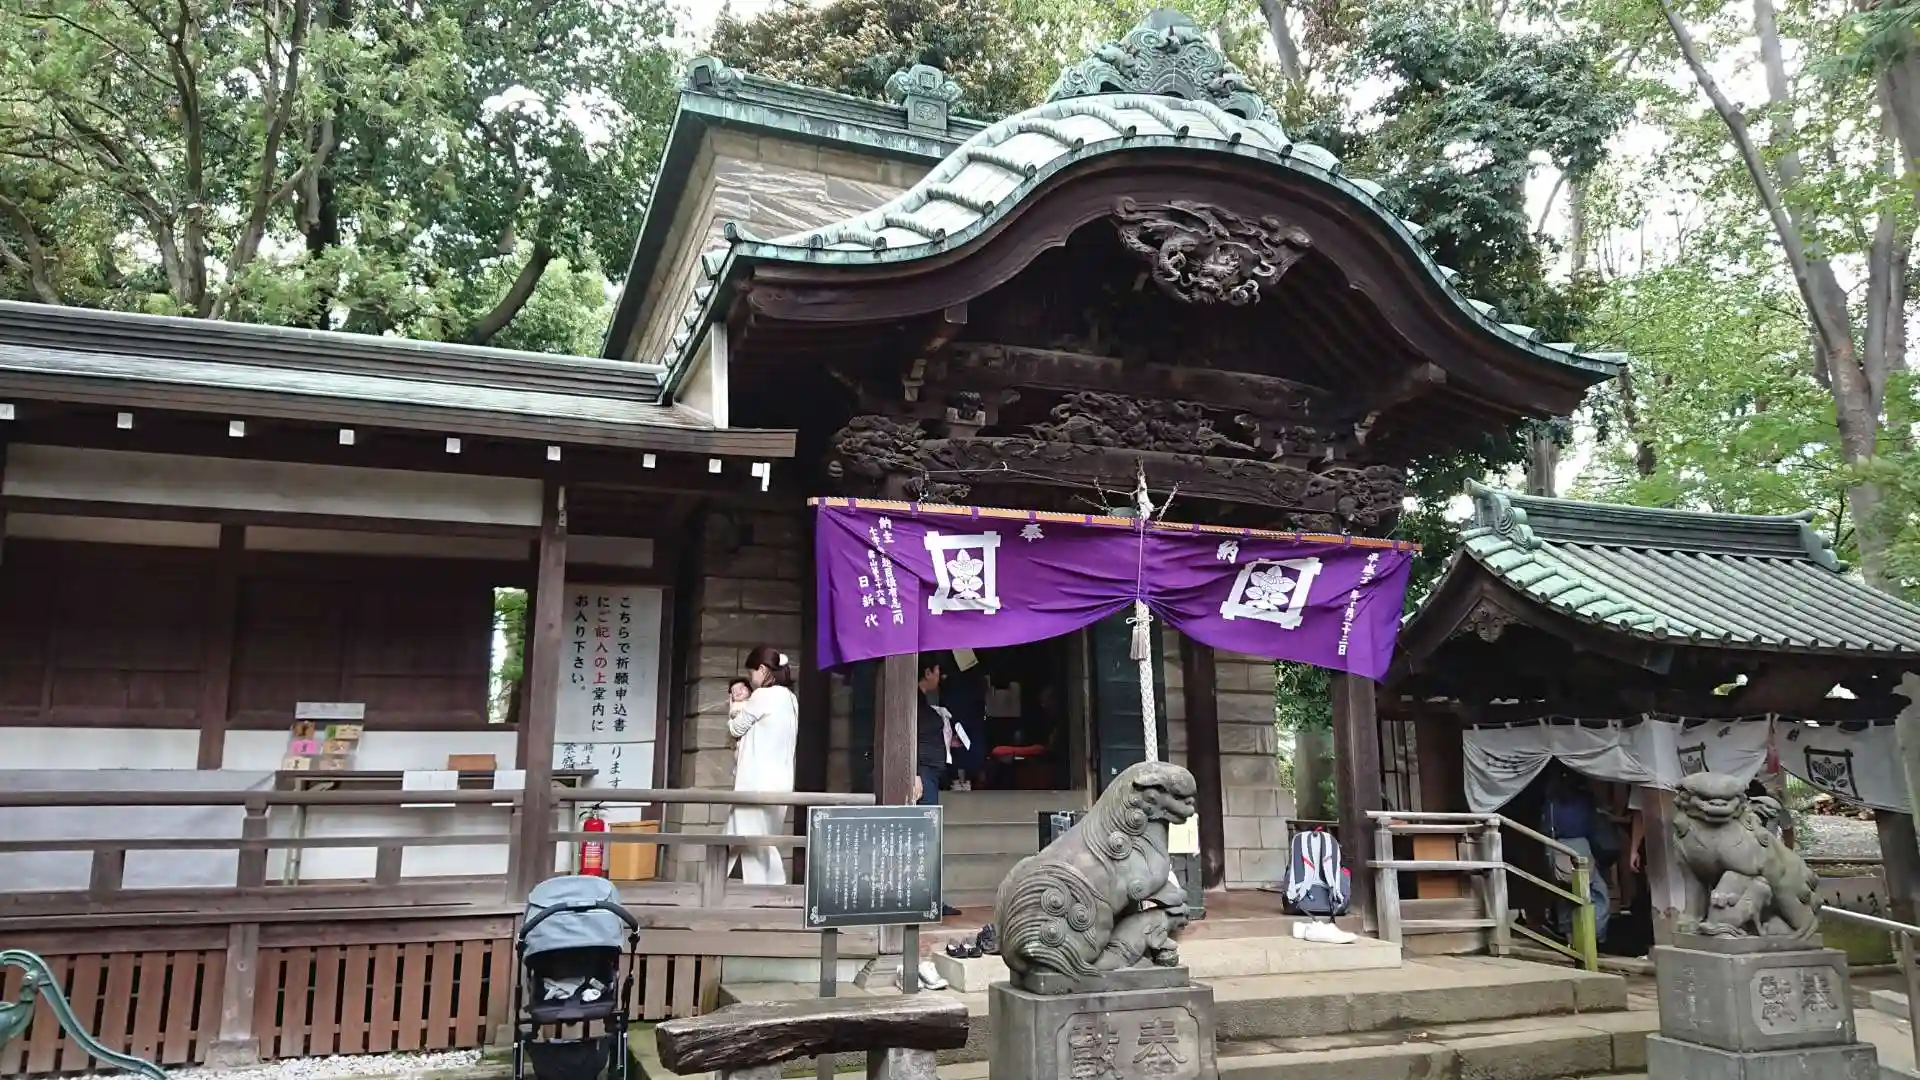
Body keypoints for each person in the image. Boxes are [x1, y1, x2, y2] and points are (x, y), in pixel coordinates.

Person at [724, 646, 799, 885]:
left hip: (756, 782)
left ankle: (767, 890)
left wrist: (732, 708)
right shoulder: (791, 699)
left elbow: (736, 728)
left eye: (752, 673)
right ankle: (750, 889)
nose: (751, 679)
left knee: (748, 841)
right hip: (780, 783)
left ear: (763, 670)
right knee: (757, 840)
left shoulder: (763, 696)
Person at [1539, 765, 1611, 944]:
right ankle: (1592, 934)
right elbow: (1593, 826)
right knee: (1596, 893)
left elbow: (1544, 826)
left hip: (1553, 846)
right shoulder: (1584, 798)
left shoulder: (1550, 799)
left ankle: (1570, 937)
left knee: (1564, 892)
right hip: (1579, 845)